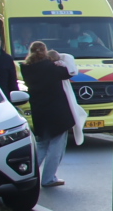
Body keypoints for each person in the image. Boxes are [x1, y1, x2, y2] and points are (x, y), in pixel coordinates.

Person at [21, 41, 77, 188]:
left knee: (42, 145)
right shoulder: (50, 68)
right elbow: (70, 72)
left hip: (39, 112)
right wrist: (60, 58)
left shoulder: (26, 69)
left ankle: (27, 174)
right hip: (57, 113)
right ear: (45, 52)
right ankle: (48, 178)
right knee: (56, 147)